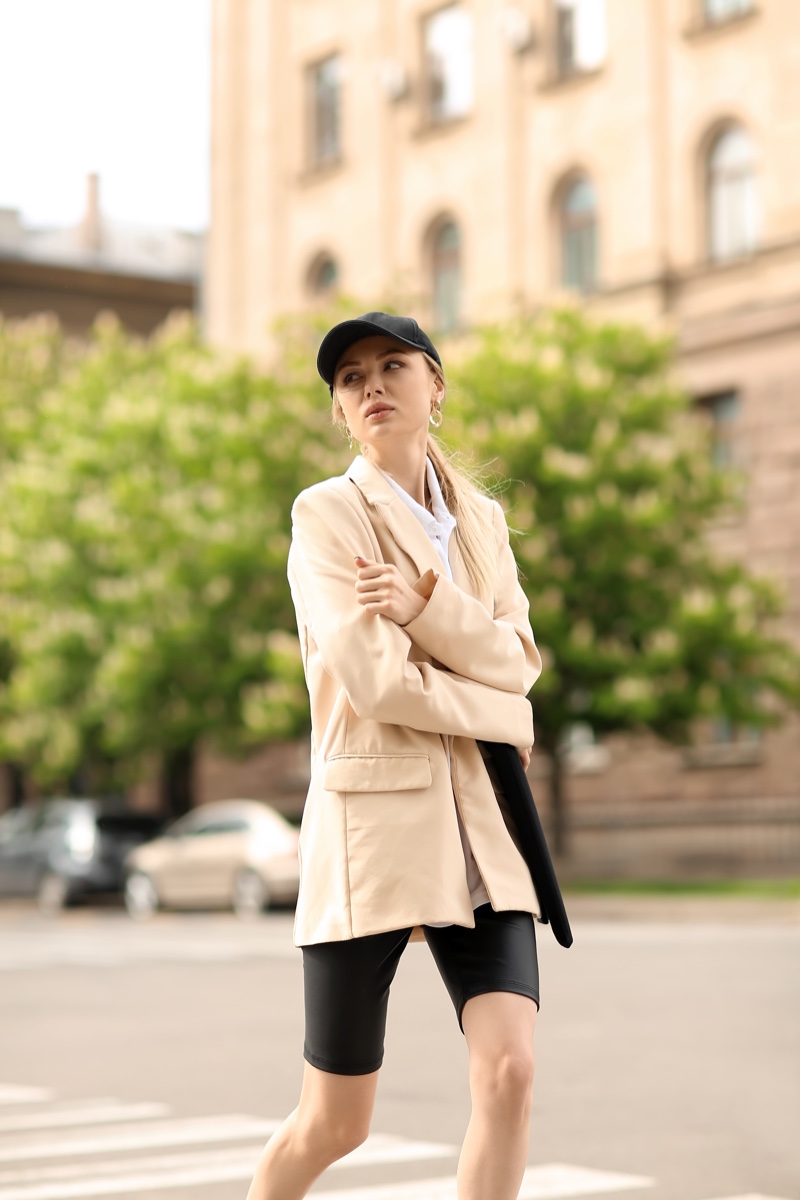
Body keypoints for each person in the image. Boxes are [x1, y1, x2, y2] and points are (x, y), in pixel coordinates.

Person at [246, 311, 544, 1200]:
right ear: (340, 412)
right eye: (349, 378)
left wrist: (423, 610)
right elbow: (378, 687)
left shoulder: (482, 522)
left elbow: (519, 660)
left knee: (510, 1074)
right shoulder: (327, 515)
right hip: (371, 833)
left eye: (391, 366)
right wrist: (502, 717)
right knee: (337, 1122)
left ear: (434, 387)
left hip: (485, 828)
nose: (370, 384)